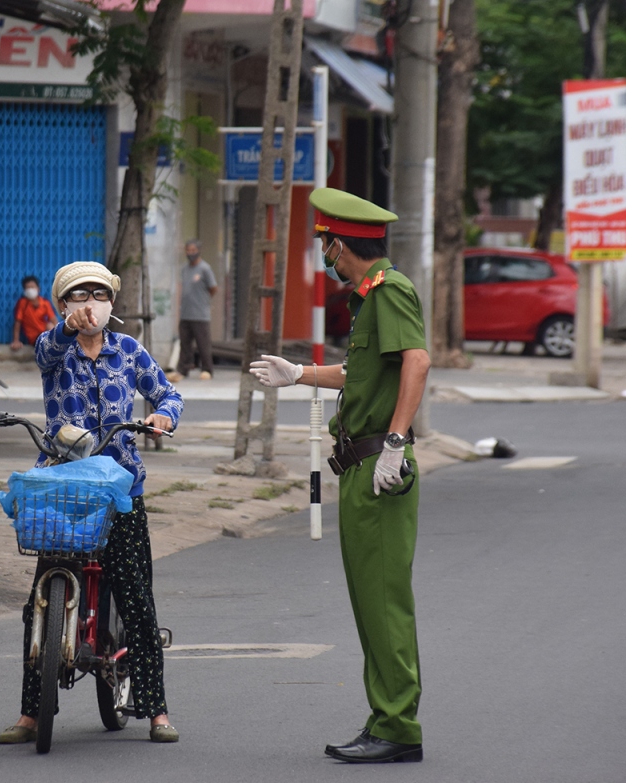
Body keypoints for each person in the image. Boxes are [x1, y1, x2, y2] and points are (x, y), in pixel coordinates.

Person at [249, 188, 431, 764]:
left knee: (384, 604)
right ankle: (386, 719)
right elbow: (360, 373)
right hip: (359, 466)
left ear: (342, 245)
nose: (325, 253)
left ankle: (398, 727)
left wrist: (396, 443)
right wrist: (298, 372)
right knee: (369, 605)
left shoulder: (390, 291)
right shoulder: (368, 299)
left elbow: (418, 361)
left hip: (381, 465)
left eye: (327, 242)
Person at [0, 261, 184, 745]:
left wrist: (164, 417)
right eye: (79, 297)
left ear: (111, 304)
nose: (90, 305)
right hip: (64, 489)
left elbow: (168, 394)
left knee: (138, 599)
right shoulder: (53, 348)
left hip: (120, 490)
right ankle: (31, 714)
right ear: (64, 306)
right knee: (40, 597)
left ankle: (156, 711)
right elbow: (45, 348)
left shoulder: (129, 351)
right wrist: (64, 329)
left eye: (98, 296)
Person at [168, 239, 217, 382]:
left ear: (199, 251)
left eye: (193, 250)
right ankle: (182, 369)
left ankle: (207, 369)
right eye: (188, 250)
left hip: (200, 314)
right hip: (185, 313)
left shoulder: (205, 269)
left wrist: (204, 301)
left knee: (203, 343)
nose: (190, 253)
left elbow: (213, 288)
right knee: (185, 344)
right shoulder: (184, 269)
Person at [10, 275, 58, 351]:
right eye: (27, 288)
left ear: (38, 289)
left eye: (32, 287)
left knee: (50, 326)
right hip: (34, 338)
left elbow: (54, 320)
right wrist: (16, 340)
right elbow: (17, 323)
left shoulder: (45, 303)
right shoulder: (23, 303)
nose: (30, 290)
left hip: (46, 333)